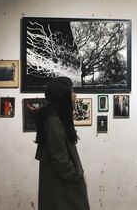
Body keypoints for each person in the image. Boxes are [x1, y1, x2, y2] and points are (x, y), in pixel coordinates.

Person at [34, 76, 90, 210]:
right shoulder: (54, 122)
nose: (75, 95)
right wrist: (74, 176)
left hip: (62, 186)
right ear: (63, 96)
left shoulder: (57, 119)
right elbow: (59, 157)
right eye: (71, 91)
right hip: (63, 188)